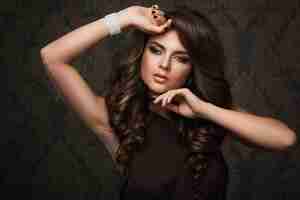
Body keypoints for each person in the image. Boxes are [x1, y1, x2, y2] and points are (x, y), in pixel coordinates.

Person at [40, 4, 297, 200]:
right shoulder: (115, 117)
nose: (164, 65)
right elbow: (52, 56)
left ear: (192, 68)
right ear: (142, 53)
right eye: (156, 50)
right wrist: (125, 17)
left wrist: (205, 110)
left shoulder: (207, 114)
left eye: (181, 58)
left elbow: (285, 139)